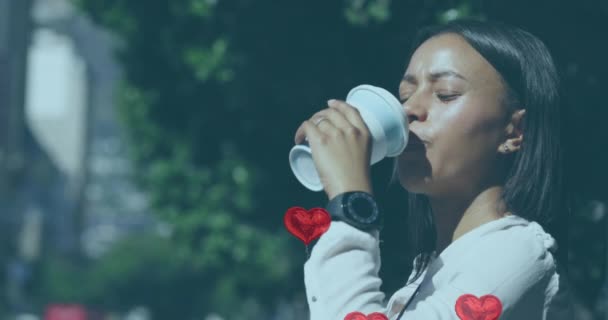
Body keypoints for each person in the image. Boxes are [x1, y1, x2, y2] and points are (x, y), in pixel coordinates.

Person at [293, 19, 573, 319]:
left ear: (515, 131)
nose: (409, 110)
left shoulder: (518, 251)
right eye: (405, 95)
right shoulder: (428, 271)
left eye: (446, 94)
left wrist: (351, 203)